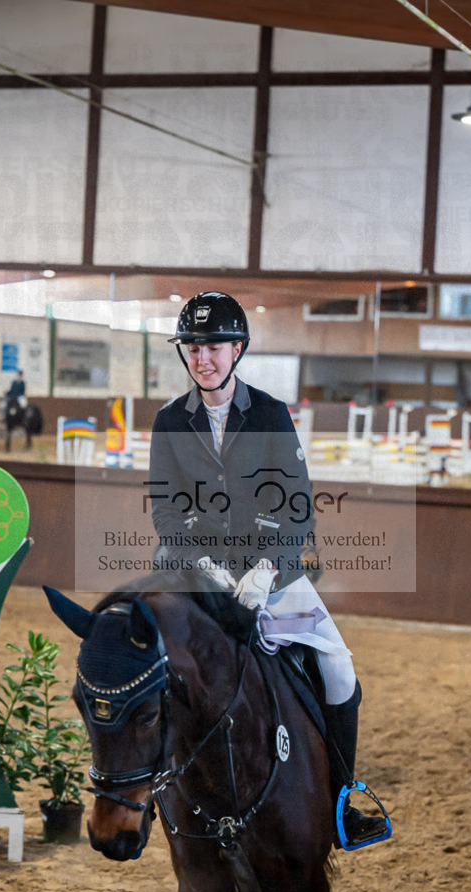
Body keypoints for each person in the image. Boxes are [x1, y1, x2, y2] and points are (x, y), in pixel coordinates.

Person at [149, 291, 387, 847]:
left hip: (271, 575)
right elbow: (165, 509)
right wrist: (202, 560)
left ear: (236, 349)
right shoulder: (168, 422)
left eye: (212, 347)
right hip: (197, 577)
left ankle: (341, 800)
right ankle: (156, 792)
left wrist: (264, 570)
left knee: (339, 671)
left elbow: (297, 507)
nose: (201, 359)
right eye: (192, 348)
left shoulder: (272, 414)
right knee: (150, 669)